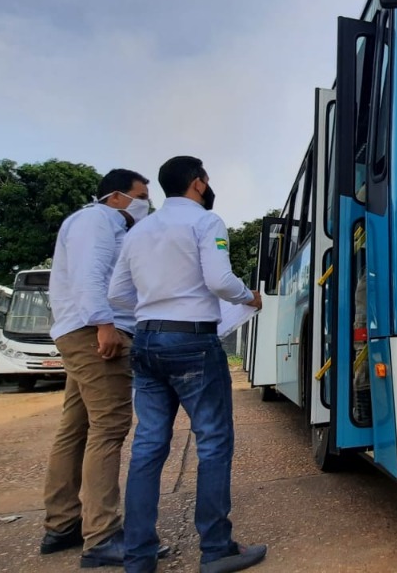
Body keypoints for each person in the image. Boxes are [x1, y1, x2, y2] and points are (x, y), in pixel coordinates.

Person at [109, 156, 266, 573]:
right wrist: (249, 296)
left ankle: (138, 557)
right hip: (193, 342)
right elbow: (218, 280)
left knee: (147, 447)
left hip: (146, 339)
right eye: (207, 179)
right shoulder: (205, 222)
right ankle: (216, 550)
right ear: (198, 184)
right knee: (212, 442)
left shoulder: (139, 231)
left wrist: (153, 307)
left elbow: (118, 294)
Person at [40, 168, 171, 568]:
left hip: (82, 331)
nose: (145, 202)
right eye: (140, 195)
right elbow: (90, 275)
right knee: (110, 427)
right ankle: (102, 535)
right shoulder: (98, 219)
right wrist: (104, 324)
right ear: (115, 196)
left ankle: (62, 524)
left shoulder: (99, 223)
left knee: (76, 427)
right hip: (94, 332)